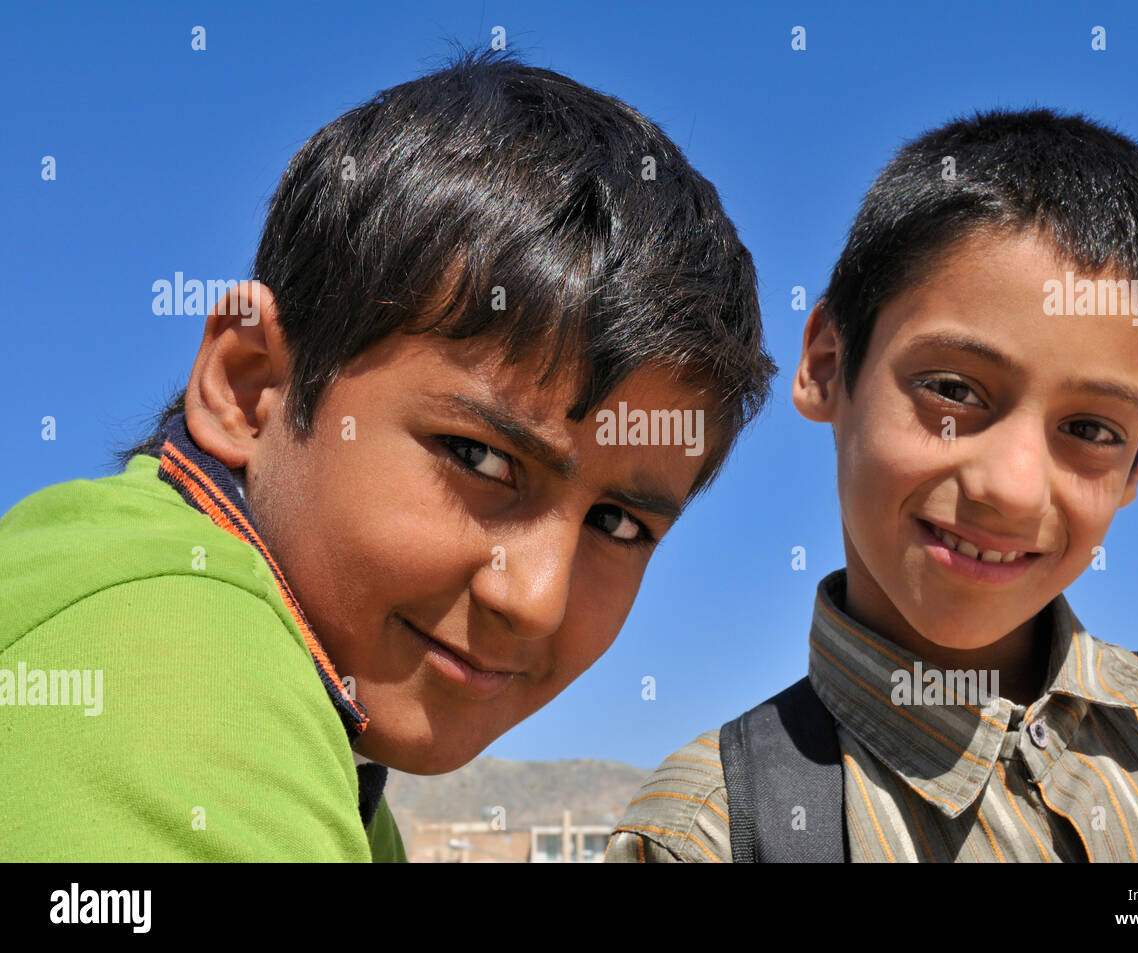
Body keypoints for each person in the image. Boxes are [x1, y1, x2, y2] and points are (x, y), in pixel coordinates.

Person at [0, 50, 775, 861]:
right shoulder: (167, 668)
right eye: (480, 458)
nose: (537, 599)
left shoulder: (338, 758)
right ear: (249, 388)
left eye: (615, 523)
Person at [606, 108, 1138, 863]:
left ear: (1136, 465)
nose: (1012, 487)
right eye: (954, 390)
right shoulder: (711, 835)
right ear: (827, 364)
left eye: (1092, 430)